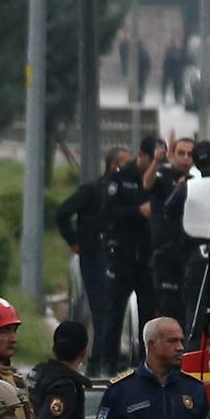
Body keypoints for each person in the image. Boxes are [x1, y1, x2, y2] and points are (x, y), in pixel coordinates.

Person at [56, 147, 127, 350]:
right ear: (113, 165)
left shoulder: (127, 192)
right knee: (100, 307)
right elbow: (63, 213)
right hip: (95, 254)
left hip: (120, 255)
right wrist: (74, 241)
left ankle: (110, 352)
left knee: (114, 308)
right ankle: (99, 356)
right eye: (124, 163)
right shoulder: (93, 190)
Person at [100, 138, 160, 374]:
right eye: (152, 160)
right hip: (122, 254)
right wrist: (137, 212)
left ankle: (145, 363)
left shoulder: (158, 179)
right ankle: (108, 363)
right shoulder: (121, 178)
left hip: (146, 256)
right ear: (142, 156)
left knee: (148, 313)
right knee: (114, 311)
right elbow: (109, 212)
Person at [167, 139, 210, 337]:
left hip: (196, 256)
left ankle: (193, 355)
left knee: (195, 312)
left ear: (195, 162)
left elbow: (169, 211)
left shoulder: (187, 187)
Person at [148, 136, 194, 320]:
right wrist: (157, 161)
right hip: (166, 254)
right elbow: (147, 184)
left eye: (190, 154)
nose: (185, 158)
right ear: (172, 155)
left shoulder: (197, 179)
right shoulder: (163, 175)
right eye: (181, 153)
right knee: (167, 307)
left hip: (190, 253)